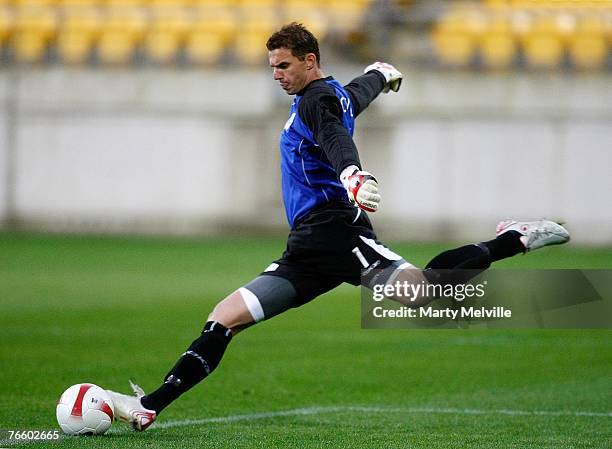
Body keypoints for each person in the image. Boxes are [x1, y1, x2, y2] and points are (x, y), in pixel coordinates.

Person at [107, 23, 570, 431]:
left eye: (283, 65)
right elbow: (359, 92)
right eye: (271, 67)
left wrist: (353, 176)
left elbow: (334, 137)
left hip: (338, 232)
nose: (276, 75)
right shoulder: (334, 93)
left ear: (309, 61)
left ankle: (517, 238)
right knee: (224, 318)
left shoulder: (316, 101)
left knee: (425, 293)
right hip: (307, 248)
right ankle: (149, 407)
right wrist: (382, 74)